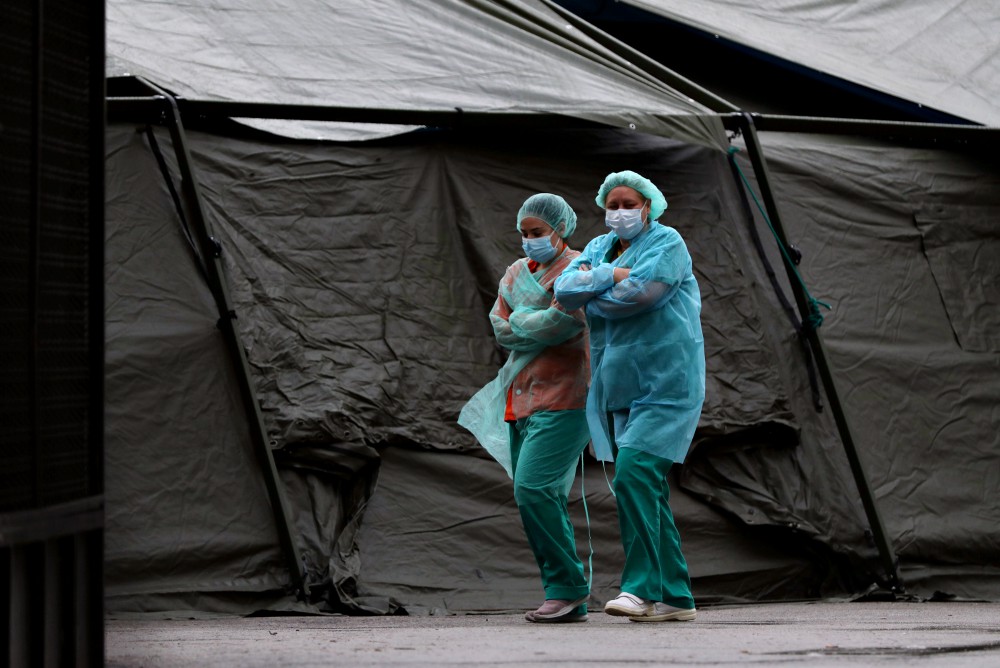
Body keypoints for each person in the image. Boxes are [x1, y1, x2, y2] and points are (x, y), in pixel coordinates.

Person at [554, 170, 704, 623]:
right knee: (643, 486)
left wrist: (593, 288)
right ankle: (678, 597)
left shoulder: (668, 242)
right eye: (612, 203)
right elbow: (563, 290)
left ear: (649, 206)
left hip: (668, 380)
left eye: (628, 203)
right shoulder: (600, 248)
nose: (619, 211)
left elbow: (641, 295)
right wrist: (611, 274)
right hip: (619, 382)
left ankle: (641, 590)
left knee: (637, 472)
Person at [459, 193, 592, 623]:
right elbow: (500, 326)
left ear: (560, 230)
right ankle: (568, 596)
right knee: (543, 495)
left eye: (538, 233)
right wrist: (531, 321)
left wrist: (524, 321)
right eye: (525, 233)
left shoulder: (580, 268)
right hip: (522, 398)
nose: (530, 240)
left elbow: (564, 323)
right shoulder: (517, 272)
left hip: (567, 396)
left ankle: (567, 588)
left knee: (532, 489)